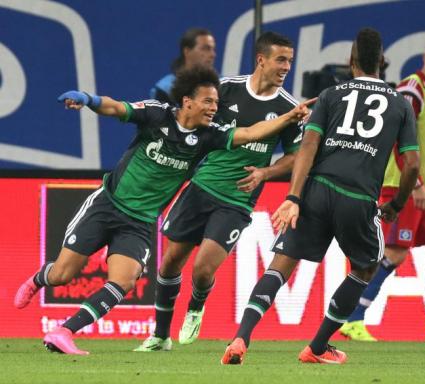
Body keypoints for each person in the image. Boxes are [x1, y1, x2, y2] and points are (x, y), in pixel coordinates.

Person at [13, 66, 312, 355]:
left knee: (125, 280)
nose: (213, 108)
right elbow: (116, 108)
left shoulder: (210, 135)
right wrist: (88, 100)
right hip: (107, 206)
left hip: (140, 223)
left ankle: (64, 332)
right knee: (63, 274)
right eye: (208, 101)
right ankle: (41, 278)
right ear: (187, 101)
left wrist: (288, 116)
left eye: (216, 103)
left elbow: (250, 133)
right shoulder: (156, 114)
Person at [221, 27, 420, 365]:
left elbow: (308, 148)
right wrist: (397, 204)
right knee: (365, 268)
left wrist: (295, 197)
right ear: (382, 62)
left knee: (280, 266)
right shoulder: (400, 105)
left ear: (351, 60)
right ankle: (316, 347)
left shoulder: (331, 95)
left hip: (316, 190)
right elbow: (412, 165)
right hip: (358, 197)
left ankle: (241, 337)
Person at [134, 32, 304, 351]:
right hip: (200, 187)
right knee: (170, 262)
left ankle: (196, 307)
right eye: (281, 59)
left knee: (202, 269)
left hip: (237, 199)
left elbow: (297, 156)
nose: (286, 67)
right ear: (261, 59)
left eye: (290, 61)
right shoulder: (225, 89)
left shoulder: (289, 108)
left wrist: (266, 171)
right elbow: (192, 121)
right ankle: (159, 335)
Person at [339, 34, 425, 342]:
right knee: (395, 253)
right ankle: (354, 318)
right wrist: (415, 184)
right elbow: (399, 139)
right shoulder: (410, 92)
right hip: (406, 186)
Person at [150, 28, 216, 105]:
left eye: (213, 49)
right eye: (205, 48)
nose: (213, 55)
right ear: (187, 51)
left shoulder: (223, 85)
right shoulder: (165, 88)